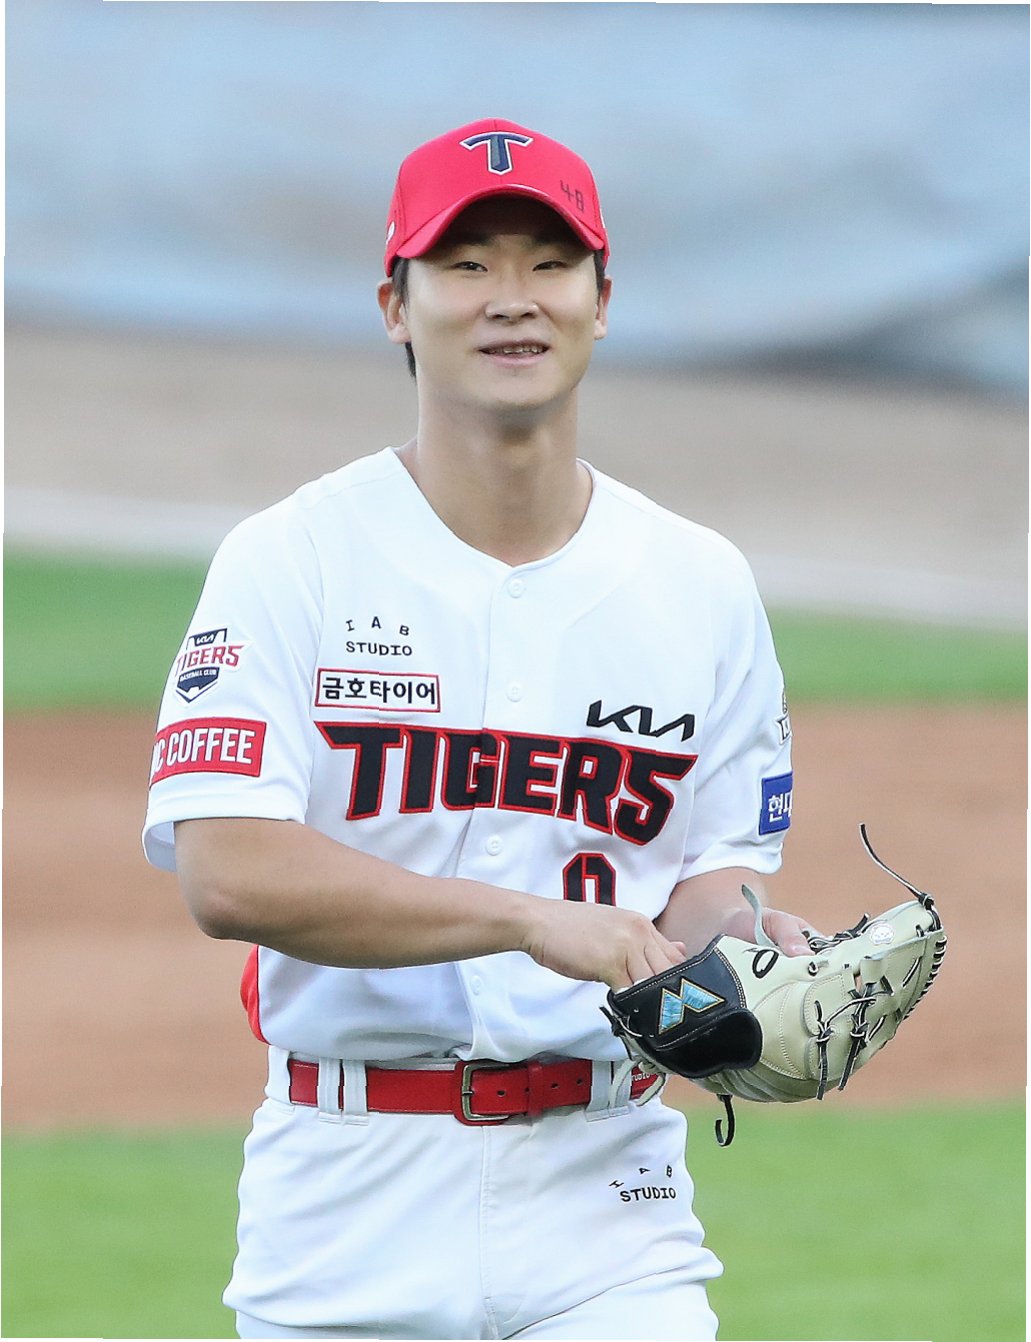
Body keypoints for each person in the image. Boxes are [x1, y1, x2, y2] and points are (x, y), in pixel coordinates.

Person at [143, 118, 813, 1341]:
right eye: (465, 264)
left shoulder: (700, 582)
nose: (512, 297)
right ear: (393, 306)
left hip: (611, 1199)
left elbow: (709, 879)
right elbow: (227, 870)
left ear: (601, 300)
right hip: (344, 1197)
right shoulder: (290, 558)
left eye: (549, 263)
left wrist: (757, 945)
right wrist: (526, 919)